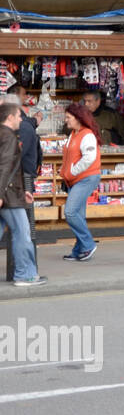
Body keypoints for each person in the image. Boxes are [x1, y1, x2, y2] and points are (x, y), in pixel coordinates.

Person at [0, 103, 44, 286]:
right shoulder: (9, 137)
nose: (21, 120)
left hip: (10, 191)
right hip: (9, 194)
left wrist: (24, 189)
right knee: (22, 233)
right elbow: (5, 166)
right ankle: (24, 274)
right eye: (19, 116)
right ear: (9, 117)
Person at [60, 103, 101, 262]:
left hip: (85, 178)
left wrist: (72, 171)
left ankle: (88, 245)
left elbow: (89, 158)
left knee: (70, 212)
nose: (66, 120)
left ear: (77, 118)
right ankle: (79, 250)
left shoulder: (87, 135)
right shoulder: (74, 133)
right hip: (75, 180)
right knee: (78, 215)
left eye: (68, 117)